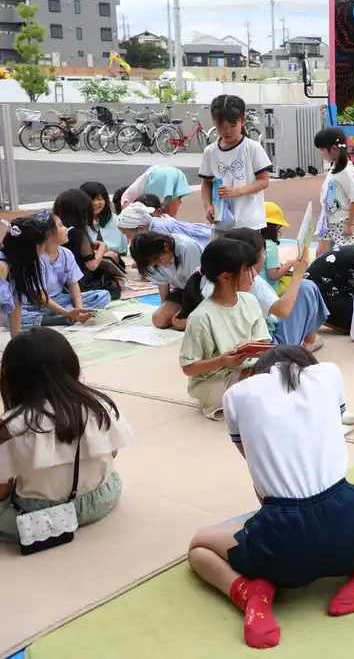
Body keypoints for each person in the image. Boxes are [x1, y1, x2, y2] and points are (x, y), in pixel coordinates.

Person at [188, 347, 354, 649]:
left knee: (199, 548)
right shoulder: (329, 374)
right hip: (349, 532)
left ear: (259, 374)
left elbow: (256, 474)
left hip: (282, 548)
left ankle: (249, 592)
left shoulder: (236, 396)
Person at [0, 329, 134, 545]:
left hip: (39, 514)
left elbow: (2, 489)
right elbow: (113, 453)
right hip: (100, 499)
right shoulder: (98, 405)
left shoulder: (10, 426)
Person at [179, 238, 271, 420]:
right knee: (266, 385)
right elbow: (189, 368)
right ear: (226, 276)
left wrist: (256, 350)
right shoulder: (201, 317)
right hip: (215, 380)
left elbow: (262, 342)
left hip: (247, 369)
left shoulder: (249, 300)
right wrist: (222, 361)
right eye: (247, 270)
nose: (253, 275)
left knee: (288, 369)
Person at [217, 228, 328, 352]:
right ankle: (308, 345)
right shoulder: (252, 283)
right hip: (266, 348)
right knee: (307, 288)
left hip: (237, 345)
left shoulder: (213, 279)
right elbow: (283, 310)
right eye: (263, 254)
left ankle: (308, 342)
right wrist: (298, 274)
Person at [10, 211, 111, 329]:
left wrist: (80, 309)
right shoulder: (35, 259)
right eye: (61, 225)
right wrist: (65, 311)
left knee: (102, 295)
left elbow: (73, 284)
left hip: (59, 299)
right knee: (11, 314)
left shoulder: (66, 254)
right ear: (49, 234)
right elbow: (40, 296)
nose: (66, 229)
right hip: (33, 303)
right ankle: (55, 318)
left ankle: (64, 315)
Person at [200, 94, 273, 233]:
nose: (227, 131)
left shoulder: (252, 148)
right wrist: (208, 206)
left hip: (249, 224)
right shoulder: (210, 151)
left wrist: (236, 191)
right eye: (221, 126)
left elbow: (263, 181)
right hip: (221, 223)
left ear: (243, 121)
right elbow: (206, 183)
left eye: (232, 126)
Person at [53, 188, 122, 301]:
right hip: (79, 281)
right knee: (115, 283)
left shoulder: (56, 229)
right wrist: (102, 248)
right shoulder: (78, 233)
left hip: (59, 282)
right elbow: (92, 265)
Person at [130, 229, 205, 330]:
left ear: (166, 246)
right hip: (183, 289)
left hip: (203, 291)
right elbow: (163, 284)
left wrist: (188, 312)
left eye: (159, 259)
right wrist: (166, 305)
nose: (159, 264)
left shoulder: (188, 248)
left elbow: (199, 286)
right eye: (154, 263)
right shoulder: (151, 260)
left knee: (181, 323)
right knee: (159, 319)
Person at [314, 126, 354, 252]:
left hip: (344, 221)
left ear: (334, 148)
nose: (322, 154)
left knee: (347, 256)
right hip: (330, 219)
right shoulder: (336, 166)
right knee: (321, 254)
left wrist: (350, 224)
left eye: (323, 150)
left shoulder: (346, 171)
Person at [80, 180, 128, 266]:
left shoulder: (117, 221)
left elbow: (124, 250)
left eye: (99, 199)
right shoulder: (79, 221)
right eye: (91, 200)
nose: (96, 203)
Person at [120, 164, 191, 217]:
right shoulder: (130, 197)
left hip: (164, 175)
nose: (181, 202)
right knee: (168, 216)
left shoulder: (128, 202)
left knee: (167, 216)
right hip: (163, 173)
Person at [261, 202, 294, 288]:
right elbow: (274, 275)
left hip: (253, 287)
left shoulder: (251, 240)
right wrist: (290, 263)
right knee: (300, 284)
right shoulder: (270, 245)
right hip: (269, 289)